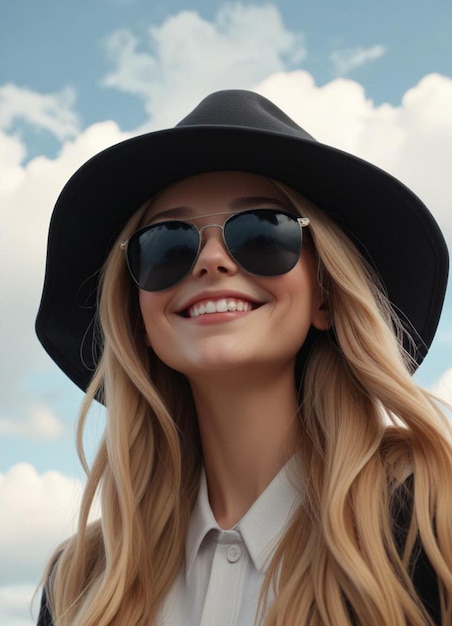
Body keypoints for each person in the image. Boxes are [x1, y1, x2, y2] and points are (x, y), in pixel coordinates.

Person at [35, 90, 451, 625]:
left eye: (262, 231)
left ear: (324, 294)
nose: (210, 259)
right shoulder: (79, 582)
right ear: (138, 314)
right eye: (166, 244)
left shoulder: (432, 523)